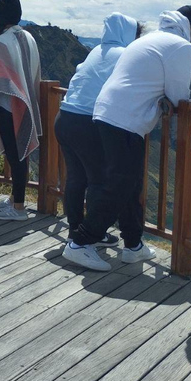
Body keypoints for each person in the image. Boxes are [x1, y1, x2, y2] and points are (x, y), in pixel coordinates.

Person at [63, 6, 191, 271]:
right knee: (120, 184)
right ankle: (80, 243)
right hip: (125, 119)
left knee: (128, 184)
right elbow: (179, 97)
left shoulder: (148, 40)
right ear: (190, 27)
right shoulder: (180, 46)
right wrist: (169, 102)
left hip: (107, 113)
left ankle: (133, 245)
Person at [54, 12, 140, 244]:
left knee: (75, 178)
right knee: (99, 180)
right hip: (85, 122)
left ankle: (74, 230)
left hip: (64, 117)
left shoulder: (96, 51)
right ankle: (92, 234)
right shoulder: (124, 55)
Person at [0, 0, 41, 221]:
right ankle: (16, 198)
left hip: (8, 106)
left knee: (16, 158)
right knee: (21, 156)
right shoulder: (29, 37)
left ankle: (18, 208)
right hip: (27, 103)